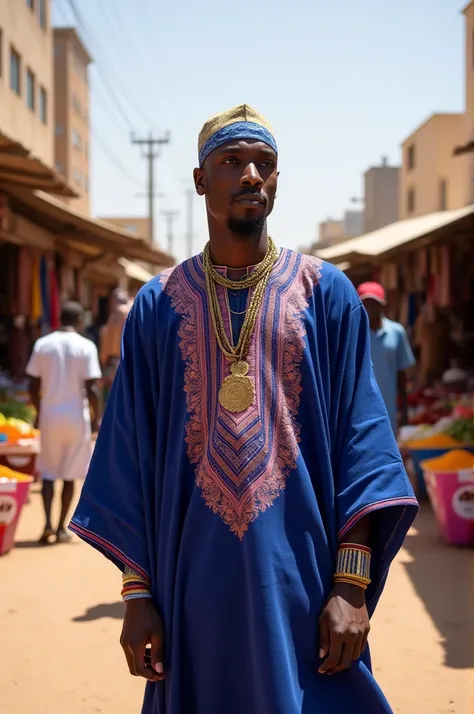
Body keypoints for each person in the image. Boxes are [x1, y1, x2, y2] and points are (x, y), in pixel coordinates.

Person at [70, 105, 418, 714]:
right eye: (232, 161)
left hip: (304, 585)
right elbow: (131, 453)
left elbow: (360, 441)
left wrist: (351, 583)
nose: (252, 175)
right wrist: (136, 593)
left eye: (265, 164)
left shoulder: (327, 293)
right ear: (202, 180)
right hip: (190, 589)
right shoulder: (157, 307)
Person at [27, 301, 101, 544]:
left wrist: (40, 411)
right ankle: (60, 528)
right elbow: (91, 388)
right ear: (80, 320)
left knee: (48, 472)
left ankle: (47, 523)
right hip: (76, 418)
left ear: (60, 318)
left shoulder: (43, 344)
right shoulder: (86, 346)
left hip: (50, 415)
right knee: (70, 475)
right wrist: (96, 417)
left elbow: (33, 384)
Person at [357, 282, 416, 432]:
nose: (369, 308)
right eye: (365, 303)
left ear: (382, 305)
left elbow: (401, 374)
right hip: (359, 412)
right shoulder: (353, 335)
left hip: (388, 410)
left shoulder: (396, 332)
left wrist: (404, 409)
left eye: (374, 303)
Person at [99, 288, 132, 404]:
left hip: (115, 359)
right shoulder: (133, 310)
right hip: (127, 358)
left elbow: (109, 340)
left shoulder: (118, 313)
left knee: (115, 399)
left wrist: (103, 360)